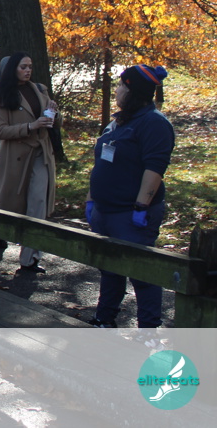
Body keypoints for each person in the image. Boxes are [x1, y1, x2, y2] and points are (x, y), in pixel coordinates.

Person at [87, 65, 174, 329]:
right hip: (105, 210)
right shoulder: (120, 121)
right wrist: (91, 200)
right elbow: (101, 162)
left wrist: (141, 206)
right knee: (109, 268)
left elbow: (154, 168)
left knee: (141, 272)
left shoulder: (154, 123)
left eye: (121, 86)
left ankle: (148, 328)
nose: (117, 90)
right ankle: (105, 318)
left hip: (130, 213)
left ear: (133, 91)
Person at [0, 52, 58, 273]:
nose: (27, 71)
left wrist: (54, 114)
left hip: (40, 154)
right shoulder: (2, 95)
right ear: (12, 69)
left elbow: (53, 121)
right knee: (4, 203)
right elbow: (0, 131)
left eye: (30, 67)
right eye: (23, 67)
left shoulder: (40, 90)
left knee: (38, 203)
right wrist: (30, 127)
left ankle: (30, 258)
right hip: (14, 156)